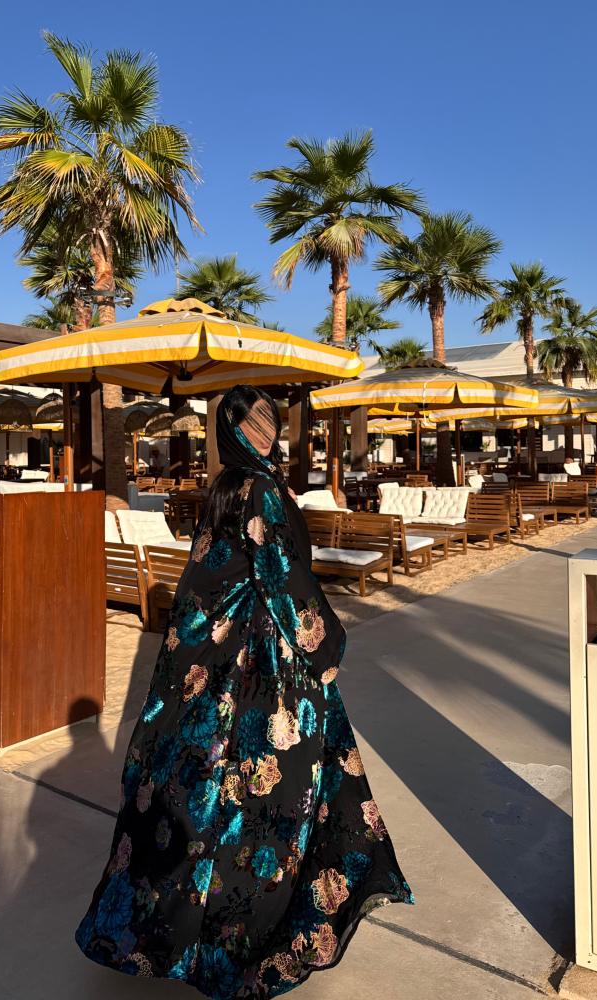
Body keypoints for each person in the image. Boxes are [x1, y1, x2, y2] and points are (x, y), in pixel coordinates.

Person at [74, 384, 413, 998]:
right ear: (232, 430)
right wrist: (324, 646)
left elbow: (209, 580)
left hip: (226, 662)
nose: (267, 431)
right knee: (272, 795)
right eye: (254, 423)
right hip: (263, 668)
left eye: (270, 420)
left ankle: (201, 926)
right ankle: (242, 935)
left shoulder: (229, 484)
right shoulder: (257, 488)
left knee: (224, 793)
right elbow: (282, 578)